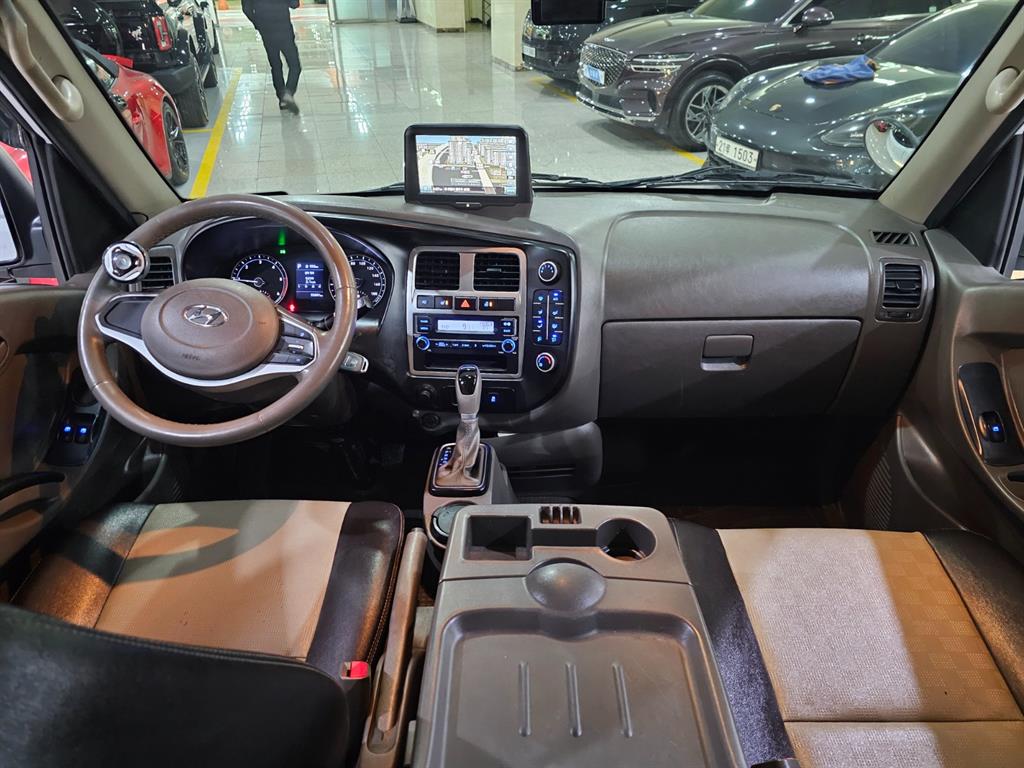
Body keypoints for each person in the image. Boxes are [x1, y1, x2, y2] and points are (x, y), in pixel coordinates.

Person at [242, 0, 302, 114]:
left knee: (275, 65)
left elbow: (246, 9)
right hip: (284, 27)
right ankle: (288, 93)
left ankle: (282, 98)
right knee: (295, 65)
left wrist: (258, 24)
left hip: (266, 30)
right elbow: (294, 4)